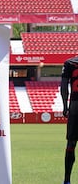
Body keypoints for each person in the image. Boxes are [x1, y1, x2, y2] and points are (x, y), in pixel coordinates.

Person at [61, 56, 78, 184]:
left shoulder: (70, 63)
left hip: (75, 106)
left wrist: (65, 106)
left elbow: (63, 86)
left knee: (71, 143)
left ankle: (67, 180)